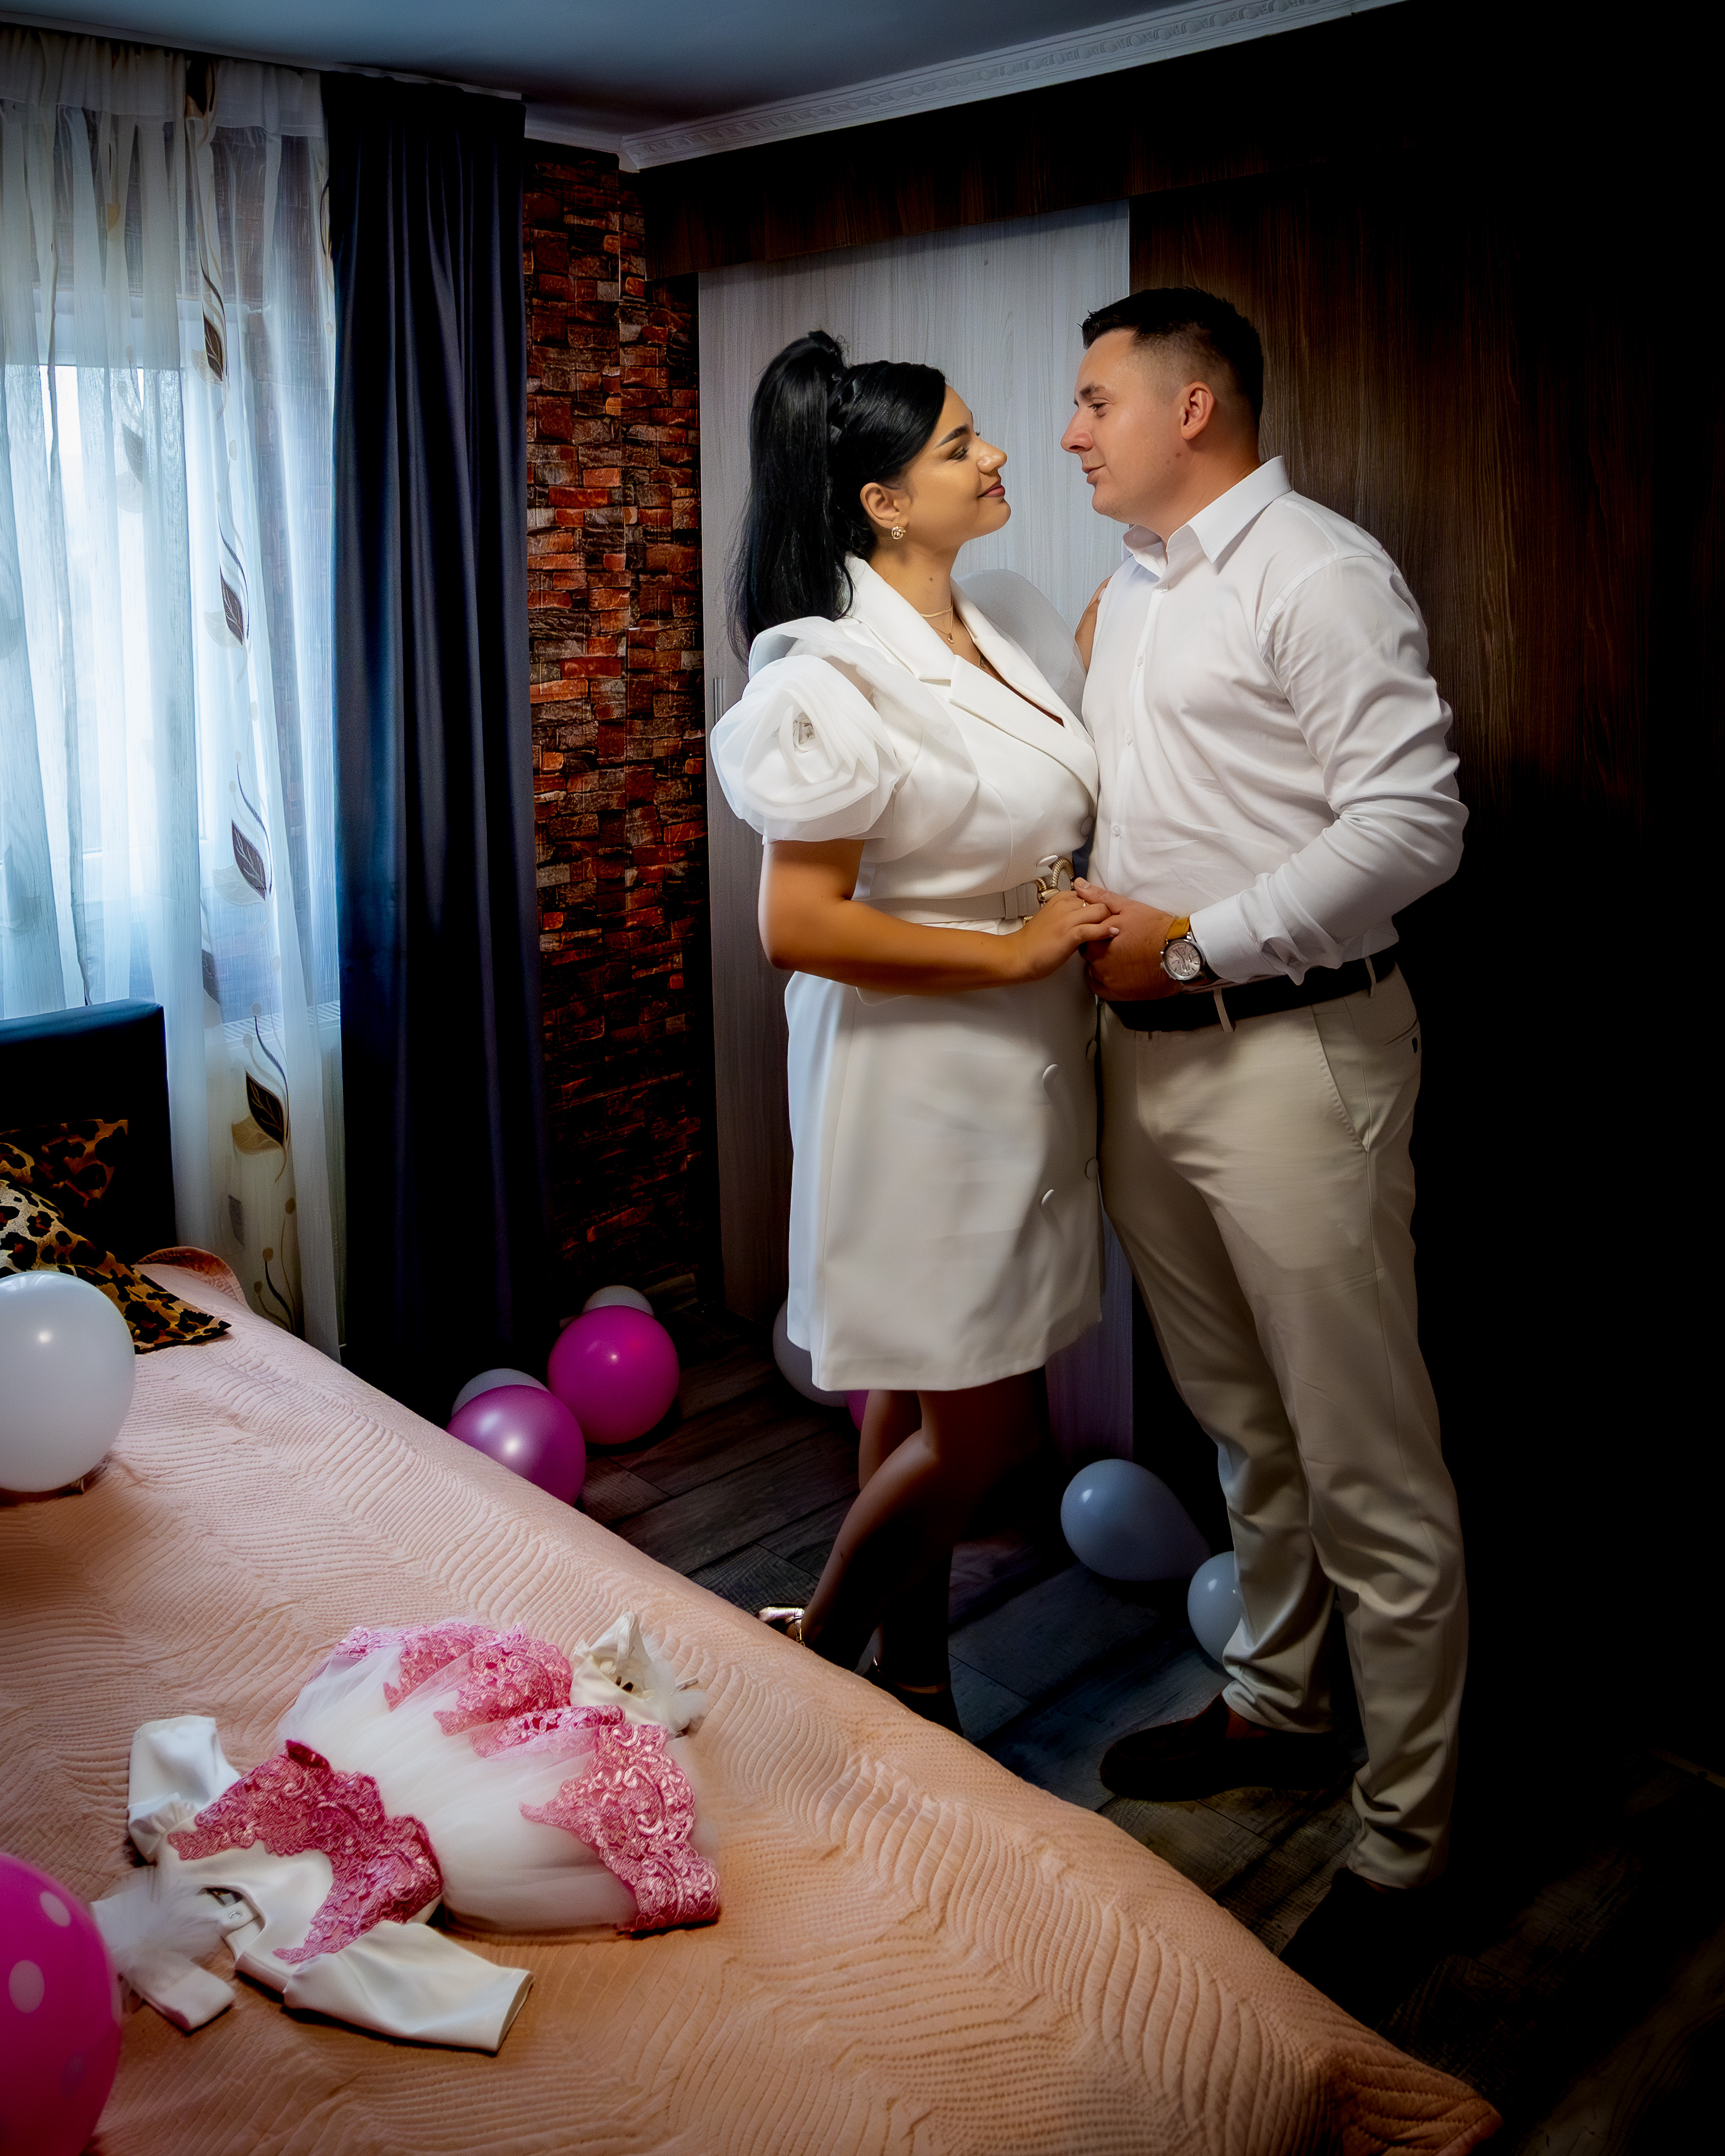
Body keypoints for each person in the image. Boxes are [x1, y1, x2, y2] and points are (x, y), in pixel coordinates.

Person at [1060, 288, 1469, 2007]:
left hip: (1295, 1057)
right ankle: (1281, 1708)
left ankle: (1405, 1841)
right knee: (1240, 1421)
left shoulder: (1316, 570)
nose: (1070, 430)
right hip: (1144, 1069)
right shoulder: (1133, 595)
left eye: (1095, 399)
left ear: (1194, 406)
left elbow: (1415, 825)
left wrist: (1197, 947)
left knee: (1367, 1459)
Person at [710, 330, 1114, 1729]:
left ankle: (921, 1671)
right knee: (989, 1428)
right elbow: (795, 925)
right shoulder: (824, 678)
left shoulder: (995, 622)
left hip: (1014, 1052)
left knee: (918, 1384)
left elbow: (1031, 795)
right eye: (957, 445)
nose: (996, 454)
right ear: (882, 501)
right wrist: (1010, 945)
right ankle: (821, 1650)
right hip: (915, 1076)